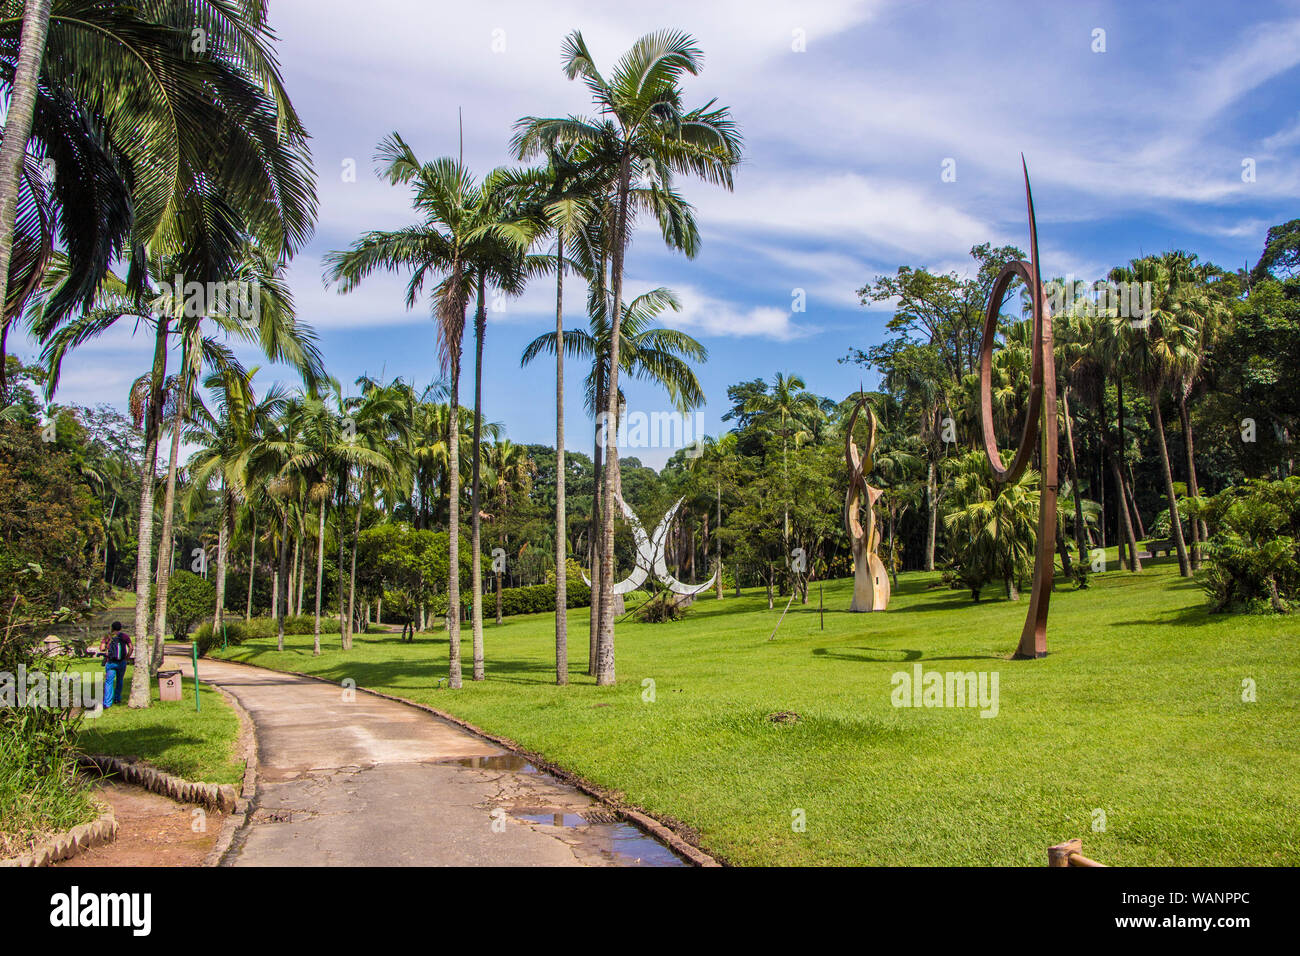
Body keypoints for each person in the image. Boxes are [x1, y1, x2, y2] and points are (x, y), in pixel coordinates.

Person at [98, 622, 133, 708]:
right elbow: (131, 647)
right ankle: (117, 698)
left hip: (111, 662)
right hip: (121, 662)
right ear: (120, 628)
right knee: (120, 680)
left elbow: (102, 648)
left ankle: (107, 703)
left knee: (109, 682)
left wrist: (107, 646)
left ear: (112, 628)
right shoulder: (124, 636)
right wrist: (126, 658)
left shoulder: (108, 636)